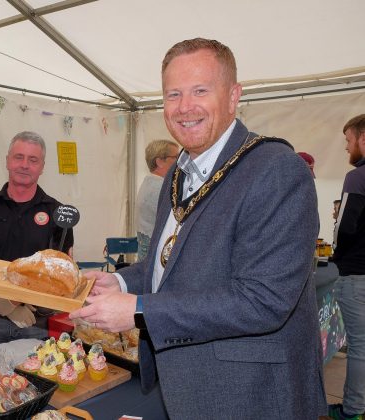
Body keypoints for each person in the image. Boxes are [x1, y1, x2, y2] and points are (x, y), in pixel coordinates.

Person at [70, 38, 326, 418]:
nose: (184, 107)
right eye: (173, 94)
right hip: (188, 384)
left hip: (252, 394)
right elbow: (171, 261)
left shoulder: (275, 169)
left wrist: (139, 310)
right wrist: (123, 282)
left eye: (200, 91)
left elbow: (264, 299)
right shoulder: (177, 172)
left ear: (233, 96)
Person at [0, 131, 74, 348]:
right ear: (7, 161)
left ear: (42, 166)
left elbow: (60, 274)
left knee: (37, 379)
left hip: (37, 322)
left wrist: (23, 302)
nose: (25, 165)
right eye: (19, 157)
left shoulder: (58, 213)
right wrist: (2, 304)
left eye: (33, 160)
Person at [329, 114, 365, 420]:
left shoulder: (357, 177)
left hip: (356, 274)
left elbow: (345, 229)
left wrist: (340, 217)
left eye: (348, 141)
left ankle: (353, 411)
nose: (347, 148)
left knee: (359, 348)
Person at [135, 139, 179, 261]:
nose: (180, 161)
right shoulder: (160, 187)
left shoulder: (150, 182)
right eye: (175, 157)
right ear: (159, 161)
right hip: (155, 248)